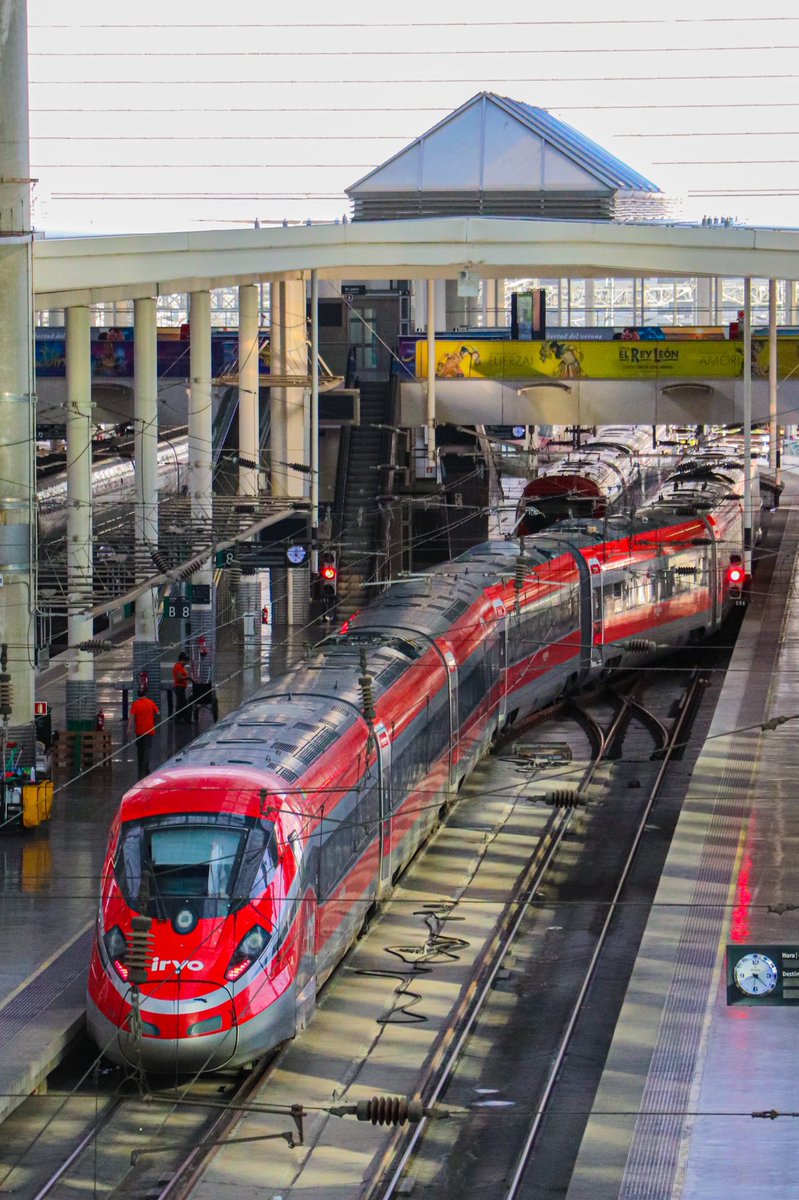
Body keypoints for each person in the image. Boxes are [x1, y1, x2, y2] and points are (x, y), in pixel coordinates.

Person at [128, 687, 159, 779]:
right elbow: (157, 713)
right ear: (145, 693)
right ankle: (146, 765)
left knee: (140, 748)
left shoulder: (135, 704)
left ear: (138, 694)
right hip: (149, 730)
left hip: (139, 731)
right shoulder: (151, 702)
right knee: (147, 748)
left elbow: (132, 718)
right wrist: (153, 721)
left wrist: (129, 729)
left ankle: (140, 764)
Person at [172, 651, 193, 724]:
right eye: (185, 661)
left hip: (181, 687)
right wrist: (188, 677)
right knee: (182, 704)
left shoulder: (181, 667)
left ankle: (179, 719)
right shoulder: (178, 666)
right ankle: (185, 719)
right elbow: (179, 677)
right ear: (181, 659)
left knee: (180, 704)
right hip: (179, 687)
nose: (186, 663)